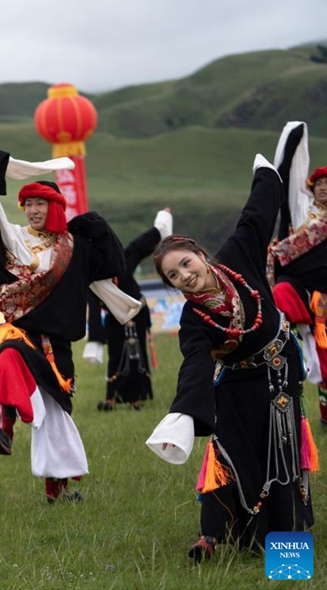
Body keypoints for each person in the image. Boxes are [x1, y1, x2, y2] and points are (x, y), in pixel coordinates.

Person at [146, 154, 316, 561]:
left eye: (185, 263)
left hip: (280, 373)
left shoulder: (238, 255)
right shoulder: (193, 318)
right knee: (232, 455)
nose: (185, 275)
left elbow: (257, 216)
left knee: (284, 455)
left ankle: (288, 559)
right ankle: (224, 537)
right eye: (174, 275)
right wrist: (183, 414)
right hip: (236, 387)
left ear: (201, 255)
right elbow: (195, 363)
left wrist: (265, 173)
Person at [0, 136, 141, 503]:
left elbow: (115, 266)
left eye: (40, 203)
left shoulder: (75, 248)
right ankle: (2, 424)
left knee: (57, 416)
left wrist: (98, 228)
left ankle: (56, 491)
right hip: (19, 330)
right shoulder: (12, 239)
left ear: (55, 206)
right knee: (9, 353)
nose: (32, 210)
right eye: (27, 202)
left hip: (57, 344)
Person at [85, 208, 173, 411]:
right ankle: (112, 398)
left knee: (137, 353)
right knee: (116, 353)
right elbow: (93, 306)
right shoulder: (92, 275)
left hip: (137, 314)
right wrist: (95, 340)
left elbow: (143, 243)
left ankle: (136, 397)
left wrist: (163, 218)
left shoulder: (123, 259)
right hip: (114, 318)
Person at [269, 121, 327, 428]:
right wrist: (293, 137)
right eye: (319, 185)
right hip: (311, 297)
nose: (324, 188)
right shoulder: (304, 216)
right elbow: (285, 178)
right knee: (320, 354)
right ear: (312, 189)